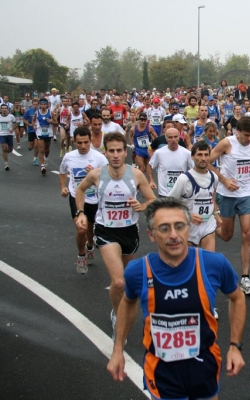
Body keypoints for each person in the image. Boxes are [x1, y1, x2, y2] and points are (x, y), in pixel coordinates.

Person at [106, 198, 246, 399]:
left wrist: (235, 346)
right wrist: (118, 348)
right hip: (162, 370)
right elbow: (128, 302)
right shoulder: (137, 271)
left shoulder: (214, 264)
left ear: (188, 229)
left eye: (179, 226)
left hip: (204, 363)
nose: (173, 235)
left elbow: (238, 298)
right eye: (164, 228)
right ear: (151, 235)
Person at [75, 133, 156, 339]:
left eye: (119, 150)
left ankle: (116, 310)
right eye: (111, 150)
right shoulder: (96, 174)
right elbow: (80, 189)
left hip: (129, 231)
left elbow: (152, 200)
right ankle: (118, 316)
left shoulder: (136, 174)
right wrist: (81, 212)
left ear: (125, 151)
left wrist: (142, 205)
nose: (116, 155)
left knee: (127, 281)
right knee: (118, 282)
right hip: (106, 231)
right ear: (106, 152)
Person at [209, 116, 250, 294]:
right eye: (246, 135)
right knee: (226, 235)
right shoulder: (226, 143)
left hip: (246, 193)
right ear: (237, 131)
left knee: (247, 234)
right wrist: (224, 180)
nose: (249, 139)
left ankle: (245, 278)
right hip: (227, 195)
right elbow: (206, 161)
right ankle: (208, 225)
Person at [59, 127, 108, 273]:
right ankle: (81, 256)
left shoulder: (99, 158)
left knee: (90, 230)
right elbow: (62, 172)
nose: (83, 146)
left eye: (86, 142)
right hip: (76, 196)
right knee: (81, 229)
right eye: (79, 143)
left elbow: (108, 177)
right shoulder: (69, 157)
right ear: (74, 141)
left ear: (90, 140)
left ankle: (90, 245)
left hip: (94, 199)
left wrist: (95, 175)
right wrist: (63, 187)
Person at [168, 141, 222, 252]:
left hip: (208, 226)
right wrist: (187, 215)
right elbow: (168, 203)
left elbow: (211, 197)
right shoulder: (184, 179)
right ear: (192, 157)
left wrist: (216, 214)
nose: (203, 158)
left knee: (208, 262)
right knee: (188, 266)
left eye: (206, 155)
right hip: (188, 228)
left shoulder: (214, 177)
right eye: (199, 155)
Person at [149, 128, 194, 197]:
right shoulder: (159, 153)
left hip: (180, 192)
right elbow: (150, 165)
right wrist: (151, 180)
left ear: (179, 138)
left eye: (175, 137)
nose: (173, 140)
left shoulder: (186, 153)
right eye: (170, 137)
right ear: (166, 139)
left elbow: (194, 169)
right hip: (164, 193)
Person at [130, 112, 158, 183]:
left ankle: (151, 181)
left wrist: (154, 144)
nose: (143, 122)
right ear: (138, 120)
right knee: (141, 168)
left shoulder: (149, 128)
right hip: (139, 150)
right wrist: (132, 143)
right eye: (141, 120)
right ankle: (141, 183)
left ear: (146, 120)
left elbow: (156, 137)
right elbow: (130, 136)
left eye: (144, 120)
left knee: (149, 167)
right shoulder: (133, 129)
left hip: (148, 149)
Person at [33, 98, 56, 175]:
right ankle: (42, 166)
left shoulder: (50, 112)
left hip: (48, 133)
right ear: (40, 105)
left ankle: (46, 158)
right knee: (42, 149)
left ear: (47, 105)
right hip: (40, 132)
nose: (43, 106)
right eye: (42, 104)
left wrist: (51, 121)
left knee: (47, 149)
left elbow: (56, 122)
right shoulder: (37, 112)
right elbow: (33, 121)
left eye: (44, 104)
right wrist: (34, 126)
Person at [0, 104, 16, 170]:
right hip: (2, 134)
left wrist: (12, 129)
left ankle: (8, 150)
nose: (4, 109)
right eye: (3, 108)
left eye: (5, 108)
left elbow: (16, 124)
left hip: (9, 134)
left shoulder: (11, 116)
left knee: (10, 149)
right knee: (3, 148)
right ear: (1, 110)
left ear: (7, 109)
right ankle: (6, 164)